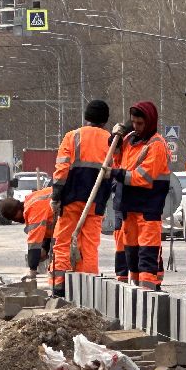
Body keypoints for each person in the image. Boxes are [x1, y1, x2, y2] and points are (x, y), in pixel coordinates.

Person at [50, 100, 117, 297]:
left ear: (86, 117)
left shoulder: (73, 136)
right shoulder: (111, 141)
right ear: (105, 120)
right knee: (89, 245)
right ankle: (87, 289)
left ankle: (59, 285)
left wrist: (56, 195)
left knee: (63, 241)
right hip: (96, 201)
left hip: (71, 199)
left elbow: (61, 170)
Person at [115, 100, 172, 291]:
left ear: (149, 122)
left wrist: (117, 174)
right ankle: (138, 288)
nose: (136, 127)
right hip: (129, 207)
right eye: (134, 123)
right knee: (131, 252)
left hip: (148, 208)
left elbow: (143, 177)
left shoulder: (156, 145)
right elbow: (118, 161)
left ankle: (150, 290)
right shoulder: (129, 140)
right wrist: (113, 144)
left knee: (147, 252)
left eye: (140, 124)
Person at [0, 184, 56, 280]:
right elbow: (47, 230)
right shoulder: (30, 202)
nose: (17, 220)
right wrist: (45, 249)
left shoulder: (33, 209)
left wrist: (32, 269)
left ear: (17, 211)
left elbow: (34, 243)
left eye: (14, 218)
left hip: (75, 209)